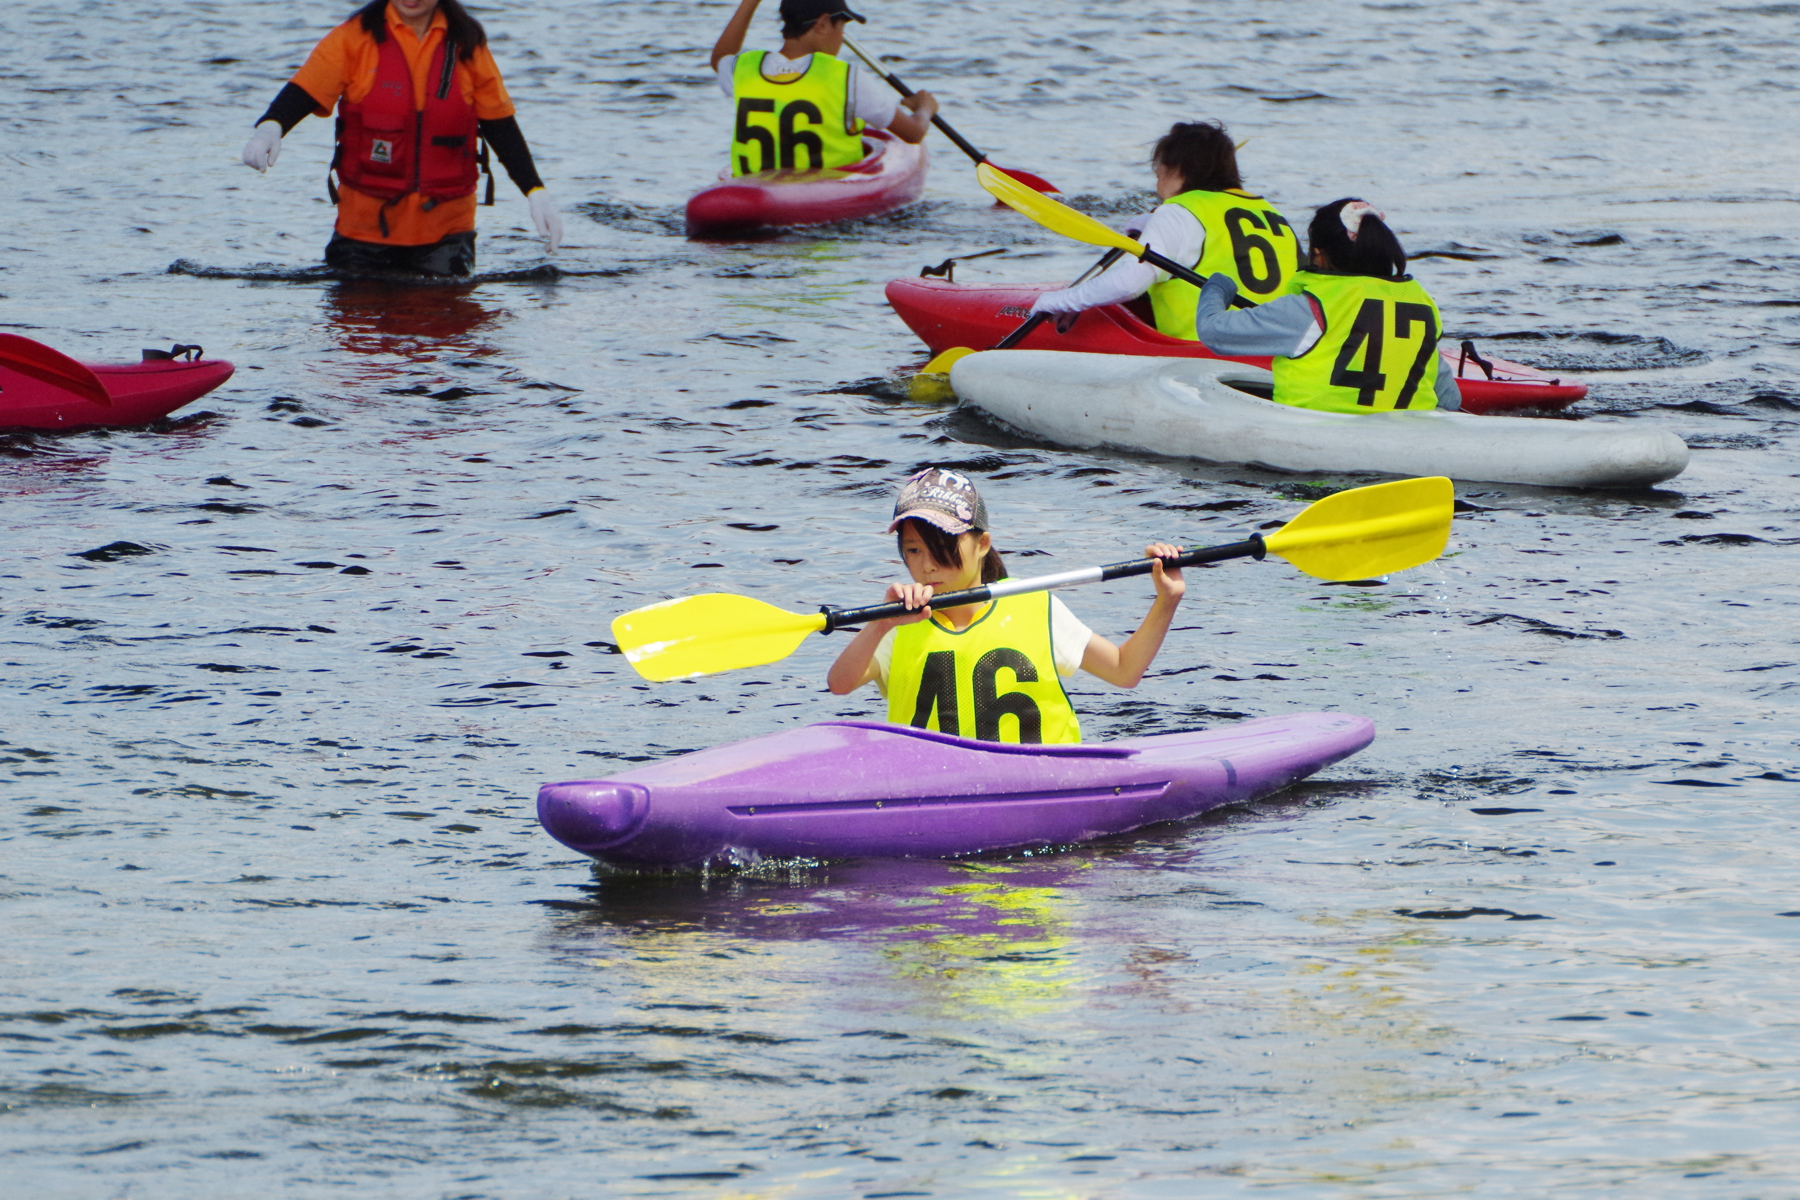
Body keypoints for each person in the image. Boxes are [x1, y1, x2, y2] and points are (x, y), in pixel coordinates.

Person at [826, 468, 1186, 746]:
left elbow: (1124, 670)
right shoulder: (897, 623)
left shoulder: (1033, 604)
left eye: (942, 546)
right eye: (914, 549)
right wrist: (880, 624)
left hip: (1038, 787)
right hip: (933, 791)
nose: (927, 565)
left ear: (982, 544)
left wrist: (1166, 600)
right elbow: (839, 685)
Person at [240, 0, 561, 277]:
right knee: (357, 340)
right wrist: (271, 125)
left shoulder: (468, 44)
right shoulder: (353, 38)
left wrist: (534, 189)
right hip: (362, 233)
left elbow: (500, 125)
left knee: (448, 337)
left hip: (446, 235)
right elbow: (304, 91)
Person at [1028, 120, 1302, 339]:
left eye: (1160, 164)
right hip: (1274, 350)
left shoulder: (1179, 211)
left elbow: (1129, 283)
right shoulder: (1274, 215)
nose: (1156, 172)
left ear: (1178, 169)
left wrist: (1065, 300)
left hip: (1201, 356)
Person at [1192, 198, 1462, 412]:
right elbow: (1450, 399)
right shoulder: (1422, 305)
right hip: (1399, 445)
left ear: (1319, 257)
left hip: (1315, 449)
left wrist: (1217, 287)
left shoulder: (1308, 308)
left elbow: (1212, 331)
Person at [709, 0, 938, 177]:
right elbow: (913, 133)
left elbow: (720, 57)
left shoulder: (743, 69)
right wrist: (925, 107)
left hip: (754, 194)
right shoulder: (848, 77)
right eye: (841, 28)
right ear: (822, 24)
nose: (841, 38)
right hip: (825, 199)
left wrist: (750, 2)